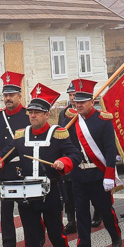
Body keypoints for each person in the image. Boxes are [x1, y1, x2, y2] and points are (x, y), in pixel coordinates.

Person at [0, 84, 79, 247]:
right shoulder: (21, 135)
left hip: (51, 192)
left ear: (47, 115)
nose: (32, 116)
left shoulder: (58, 134)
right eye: (30, 112)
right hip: (27, 193)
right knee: (30, 237)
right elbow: (6, 152)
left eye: (37, 113)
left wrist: (63, 162)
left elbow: (74, 155)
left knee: (56, 233)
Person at [65, 79, 123, 247]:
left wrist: (109, 175)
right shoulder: (70, 120)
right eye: (77, 101)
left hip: (98, 174)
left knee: (105, 209)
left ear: (92, 101)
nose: (79, 104)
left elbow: (110, 149)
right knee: (81, 211)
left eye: (83, 101)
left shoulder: (103, 120)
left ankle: (115, 235)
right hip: (79, 174)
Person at [0, 71, 30, 247]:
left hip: (22, 169)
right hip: (3, 170)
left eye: (12, 95)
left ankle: (34, 237)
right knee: (6, 209)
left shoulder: (28, 116)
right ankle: (8, 243)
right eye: (6, 95)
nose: (8, 98)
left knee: (27, 207)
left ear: (20, 95)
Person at [57, 82, 78, 233]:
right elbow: (59, 134)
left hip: (84, 156)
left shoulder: (84, 112)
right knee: (68, 193)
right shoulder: (63, 113)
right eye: (70, 95)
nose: (72, 98)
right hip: (68, 157)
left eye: (75, 95)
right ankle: (71, 220)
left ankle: (97, 214)